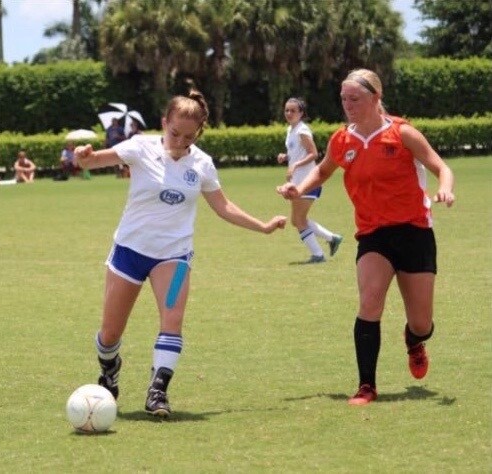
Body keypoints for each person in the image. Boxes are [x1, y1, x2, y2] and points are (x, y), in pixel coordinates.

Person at [74, 89, 287, 417]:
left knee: (172, 320)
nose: (180, 142)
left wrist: (263, 226)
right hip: (129, 252)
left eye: (189, 137)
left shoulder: (202, 164)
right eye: (175, 133)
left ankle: (157, 391)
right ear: (164, 122)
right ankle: (110, 369)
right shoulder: (140, 147)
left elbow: (223, 206)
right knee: (110, 334)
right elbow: (94, 160)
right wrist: (84, 156)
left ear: (198, 133)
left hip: (174, 257)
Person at [277, 69, 455, 406]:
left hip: (414, 232)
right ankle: (366, 386)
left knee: (422, 323)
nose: (347, 105)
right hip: (373, 235)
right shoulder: (342, 140)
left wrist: (445, 189)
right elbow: (323, 170)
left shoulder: (402, 133)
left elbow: (441, 168)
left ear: (376, 98)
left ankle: (414, 341)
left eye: (355, 99)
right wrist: (298, 188)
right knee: (370, 303)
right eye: (344, 99)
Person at [277, 97, 343, 263]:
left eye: (293, 110)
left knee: (298, 220)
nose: (289, 113)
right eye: (287, 110)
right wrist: (286, 157)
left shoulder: (302, 130)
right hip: (298, 182)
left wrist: (295, 165)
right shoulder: (291, 130)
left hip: (307, 181)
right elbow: (298, 152)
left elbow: (313, 153)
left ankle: (318, 254)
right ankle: (332, 238)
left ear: (301, 113)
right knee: (297, 220)